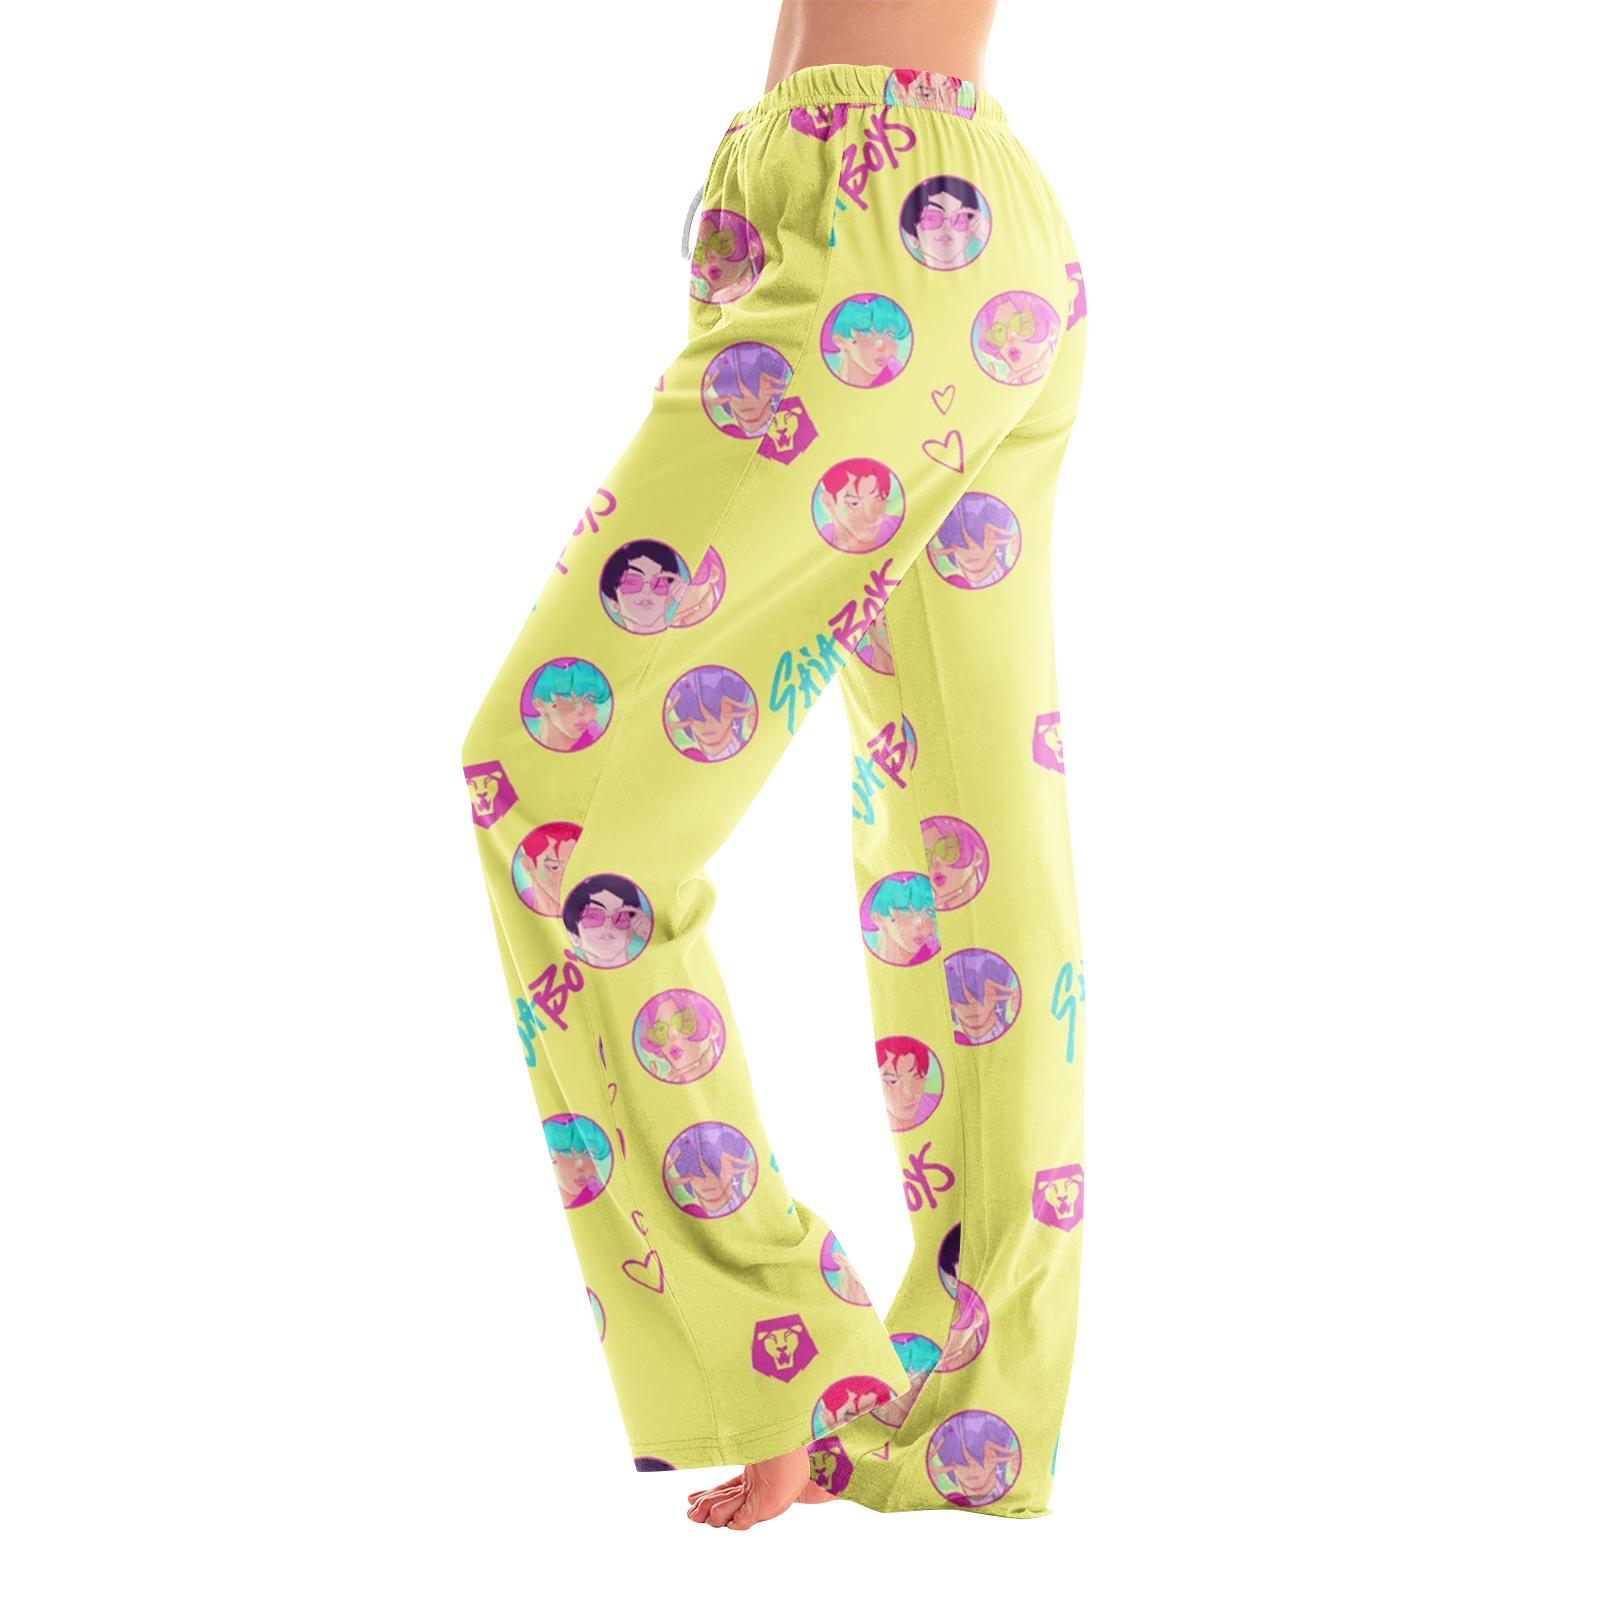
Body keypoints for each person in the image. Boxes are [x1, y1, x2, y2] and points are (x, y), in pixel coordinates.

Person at [460, 0, 1088, 1528]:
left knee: (547, 781)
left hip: (893, 228)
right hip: (919, 224)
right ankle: (966, 1425)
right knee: (966, 837)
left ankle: (778, 1349)